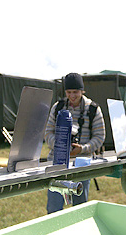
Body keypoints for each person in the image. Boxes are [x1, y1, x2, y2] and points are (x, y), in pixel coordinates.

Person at [44, 73, 105, 213]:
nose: (72, 96)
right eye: (69, 92)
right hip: (57, 164)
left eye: (76, 92)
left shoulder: (93, 109)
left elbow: (100, 137)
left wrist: (83, 148)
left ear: (82, 91)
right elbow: (47, 133)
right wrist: (61, 147)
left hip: (81, 164)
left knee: (80, 208)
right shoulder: (58, 107)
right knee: (54, 208)